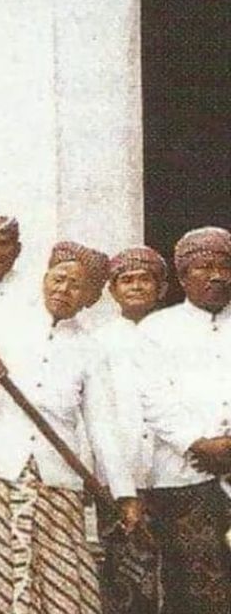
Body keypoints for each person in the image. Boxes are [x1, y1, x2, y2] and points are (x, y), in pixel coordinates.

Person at [0, 242, 142, 614]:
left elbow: (102, 426)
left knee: (66, 584)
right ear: (45, 279)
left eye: (76, 286)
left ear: (90, 297)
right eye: (58, 279)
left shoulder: (90, 349)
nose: (63, 290)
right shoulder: (1, 325)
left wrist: (124, 494)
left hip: (58, 478)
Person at [137, 226, 231, 613]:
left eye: (224, 265)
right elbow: (152, 397)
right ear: (181, 277)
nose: (216, 275)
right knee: (197, 586)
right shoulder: (157, 329)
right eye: (203, 266)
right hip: (183, 476)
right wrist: (199, 443)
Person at [93, 246, 169, 614]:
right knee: (122, 580)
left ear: (162, 287)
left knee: (176, 575)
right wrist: (121, 487)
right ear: (112, 290)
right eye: (127, 280)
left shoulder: (176, 334)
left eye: (145, 279)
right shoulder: (99, 341)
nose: (136, 286)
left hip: (172, 476)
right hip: (118, 477)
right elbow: (99, 418)